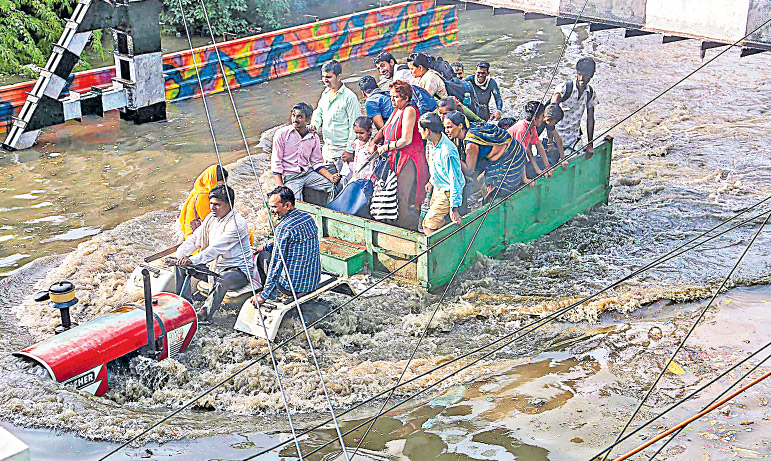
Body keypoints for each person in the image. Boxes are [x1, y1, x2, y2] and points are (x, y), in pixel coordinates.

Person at [168, 184, 253, 321]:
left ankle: (204, 314)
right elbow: (194, 239)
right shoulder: (210, 218)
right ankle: (184, 305)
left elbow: (215, 249)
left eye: (217, 205)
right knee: (180, 265)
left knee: (222, 279)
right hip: (213, 267)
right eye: (211, 204)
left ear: (229, 204)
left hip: (237, 271)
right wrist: (178, 256)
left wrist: (192, 260)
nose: (213, 207)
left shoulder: (237, 224)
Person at [369, 80, 429, 229]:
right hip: (394, 156)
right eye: (391, 97)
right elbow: (385, 128)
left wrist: (386, 147)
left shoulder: (409, 110)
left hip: (408, 157)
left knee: (403, 195)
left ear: (406, 97)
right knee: (392, 192)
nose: (393, 100)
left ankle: (405, 228)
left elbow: (406, 140)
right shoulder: (397, 110)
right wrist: (374, 141)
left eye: (396, 97)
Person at [253, 186, 321, 305]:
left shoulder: (283, 227)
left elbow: (277, 263)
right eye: (270, 207)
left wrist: (263, 296)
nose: (271, 211)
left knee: (263, 257)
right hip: (313, 281)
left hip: (293, 286)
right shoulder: (308, 218)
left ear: (288, 206)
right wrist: (265, 247)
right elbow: (290, 241)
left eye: (274, 207)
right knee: (265, 251)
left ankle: (271, 295)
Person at [443, 111, 528, 200]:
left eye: (449, 127)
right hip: (498, 158)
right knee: (485, 184)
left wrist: (453, 157)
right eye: (445, 127)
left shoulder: (471, 144)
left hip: (511, 157)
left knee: (499, 194)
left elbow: (469, 170)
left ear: (460, 126)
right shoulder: (470, 127)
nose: (446, 131)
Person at [272, 102, 339, 203]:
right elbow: (276, 162)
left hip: (307, 173)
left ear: (307, 119)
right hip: (291, 177)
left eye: (300, 117)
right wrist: (281, 188)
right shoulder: (282, 134)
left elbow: (316, 162)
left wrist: (330, 177)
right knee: (296, 202)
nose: (295, 120)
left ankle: (330, 212)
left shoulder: (313, 137)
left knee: (332, 187)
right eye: (293, 115)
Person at [310, 60, 362, 174]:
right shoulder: (325, 93)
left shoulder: (349, 98)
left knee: (346, 184)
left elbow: (355, 126)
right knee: (330, 185)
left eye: (329, 77)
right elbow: (318, 112)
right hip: (327, 152)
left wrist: (349, 150)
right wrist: (315, 124)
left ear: (339, 77)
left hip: (342, 153)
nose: (325, 80)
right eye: (323, 76)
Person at [418, 112, 464, 235]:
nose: (419, 131)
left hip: (447, 193)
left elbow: (455, 180)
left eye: (420, 129)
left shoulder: (447, 151)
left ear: (427, 131)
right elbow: (437, 168)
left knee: (428, 226)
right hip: (438, 188)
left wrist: (454, 207)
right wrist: (431, 181)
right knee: (436, 222)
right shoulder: (432, 143)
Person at [551, 57, 597, 158]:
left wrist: (590, 144)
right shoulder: (564, 88)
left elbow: (590, 119)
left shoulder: (590, 94)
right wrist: (550, 142)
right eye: (579, 74)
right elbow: (550, 113)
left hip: (574, 140)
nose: (581, 78)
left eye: (585, 75)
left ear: (591, 75)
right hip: (556, 139)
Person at [178, 164, 227, 238]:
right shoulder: (202, 197)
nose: (222, 187)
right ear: (211, 181)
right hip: (195, 238)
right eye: (219, 184)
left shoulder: (202, 188)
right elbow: (212, 221)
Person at [508, 101, 552, 180]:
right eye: (542, 116)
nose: (543, 118)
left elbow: (538, 146)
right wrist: (525, 179)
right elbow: (520, 156)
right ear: (535, 119)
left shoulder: (532, 126)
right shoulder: (522, 130)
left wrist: (547, 166)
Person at [340, 116, 375, 185]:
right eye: (356, 133)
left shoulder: (371, 145)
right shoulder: (356, 143)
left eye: (361, 133)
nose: (358, 135)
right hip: (357, 175)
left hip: (368, 176)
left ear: (369, 131)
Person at [538, 104, 569, 171]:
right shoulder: (536, 123)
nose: (555, 124)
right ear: (547, 118)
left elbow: (558, 139)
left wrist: (563, 159)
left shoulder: (547, 122)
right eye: (556, 122)